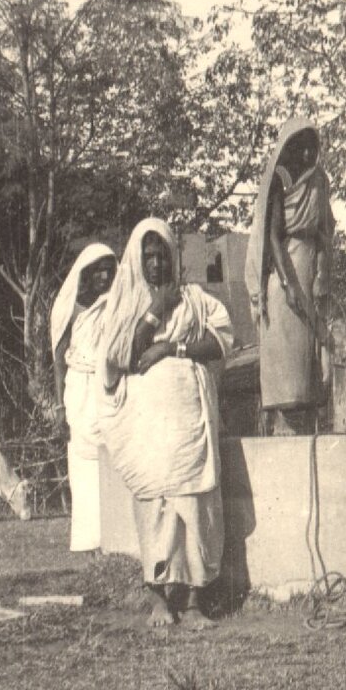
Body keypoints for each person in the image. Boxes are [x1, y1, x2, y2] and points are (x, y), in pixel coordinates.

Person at [98, 218, 235, 629]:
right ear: (138, 261)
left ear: (174, 257)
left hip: (190, 420)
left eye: (163, 256)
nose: (156, 264)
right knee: (155, 506)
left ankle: (194, 601)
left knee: (194, 502)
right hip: (149, 428)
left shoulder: (194, 298)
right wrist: (155, 312)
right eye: (149, 256)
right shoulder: (124, 304)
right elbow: (123, 354)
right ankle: (160, 598)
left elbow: (221, 341)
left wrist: (172, 348)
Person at [245, 118, 335, 435]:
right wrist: (289, 284)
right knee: (289, 367)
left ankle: (309, 424)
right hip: (286, 268)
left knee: (315, 359)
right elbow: (273, 237)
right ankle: (287, 426)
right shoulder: (279, 178)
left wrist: (321, 274)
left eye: (314, 145)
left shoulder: (319, 180)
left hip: (311, 266)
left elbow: (325, 230)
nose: (309, 152)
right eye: (302, 146)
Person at [50, 242, 117, 553]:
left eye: (109, 269)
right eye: (98, 270)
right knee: (83, 464)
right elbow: (59, 357)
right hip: (78, 390)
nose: (104, 275)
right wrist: (60, 405)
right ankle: (90, 539)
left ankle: (115, 536)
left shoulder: (115, 305)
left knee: (112, 456)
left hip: (107, 387)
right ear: (87, 273)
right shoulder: (71, 308)